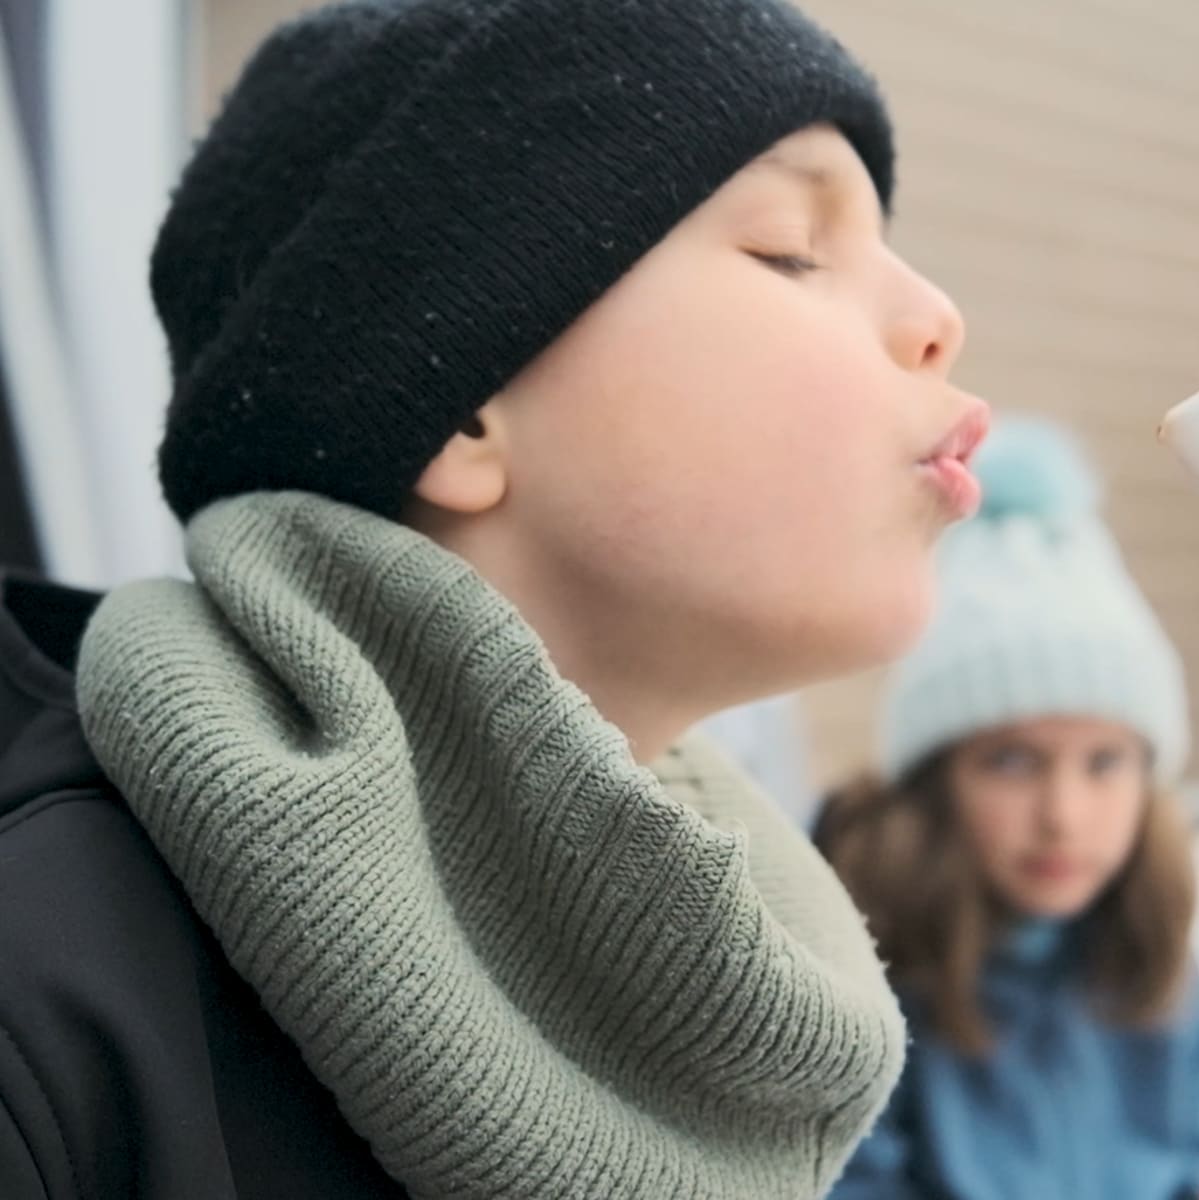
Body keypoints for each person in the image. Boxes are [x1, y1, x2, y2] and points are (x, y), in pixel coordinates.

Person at [0, 1, 991, 1196]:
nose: (938, 317)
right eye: (791, 245)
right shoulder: (45, 1008)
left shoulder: (753, 995)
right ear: (460, 400)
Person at [815, 417, 1199, 1200]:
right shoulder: (851, 1002)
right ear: (935, 781)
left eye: (1104, 763)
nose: (1063, 814)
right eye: (1013, 761)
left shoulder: (1167, 990)